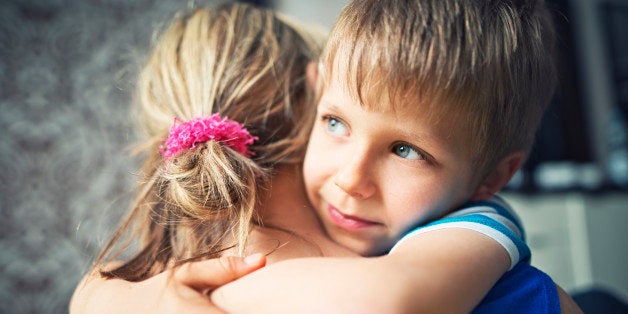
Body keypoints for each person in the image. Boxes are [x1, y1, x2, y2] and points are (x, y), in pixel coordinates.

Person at [71, 1, 582, 313]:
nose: (351, 178)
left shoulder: (477, 225)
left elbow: (387, 303)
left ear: (493, 177)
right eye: (335, 123)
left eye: (405, 150)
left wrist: (183, 301)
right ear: (314, 98)